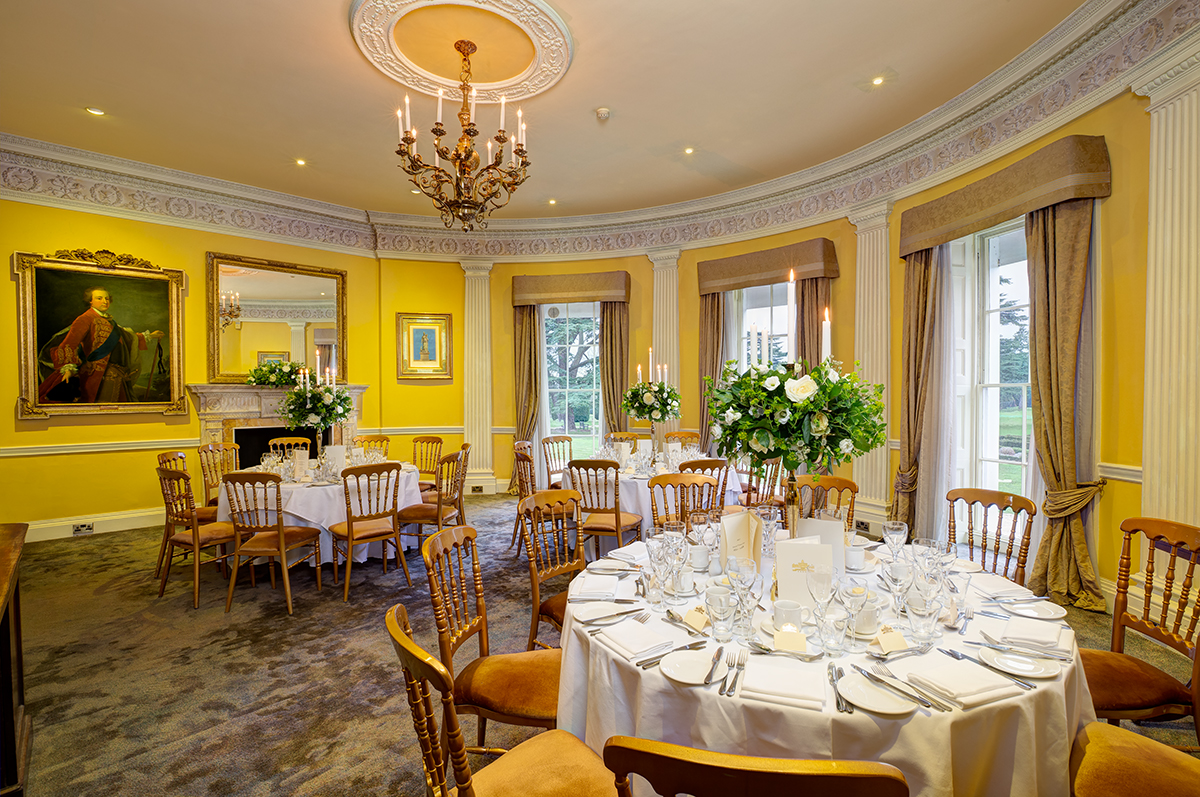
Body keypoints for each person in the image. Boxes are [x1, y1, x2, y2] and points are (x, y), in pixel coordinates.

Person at [37, 286, 164, 403]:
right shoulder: (85, 319)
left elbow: (127, 337)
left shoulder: (110, 321)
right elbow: (69, 344)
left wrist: (150, 336)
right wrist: (68, 368)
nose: (105, 301)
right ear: (90, 301)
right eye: (99, 298)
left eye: (107, 298)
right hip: (97, 376)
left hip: (118, 375)